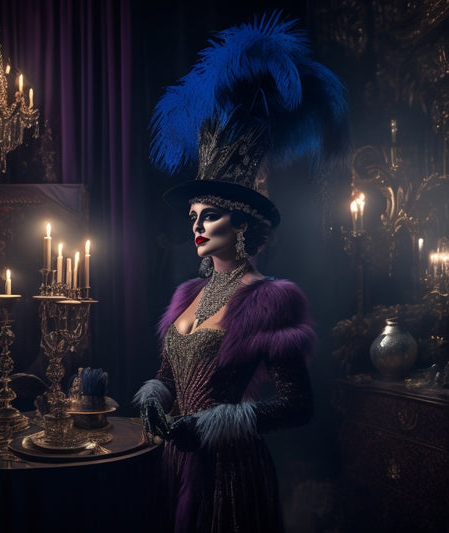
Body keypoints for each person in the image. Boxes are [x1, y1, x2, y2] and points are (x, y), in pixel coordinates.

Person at [134, 12, 348, 533]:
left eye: (210, 215)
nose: (198, 226)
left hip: (230, 474)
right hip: (175, 465)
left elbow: (299, 406)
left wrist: (218, 423)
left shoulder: (271, 299)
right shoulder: (188, 293)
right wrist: (155, 399)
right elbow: (168, 377)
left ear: (244, 222)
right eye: (193, 217)